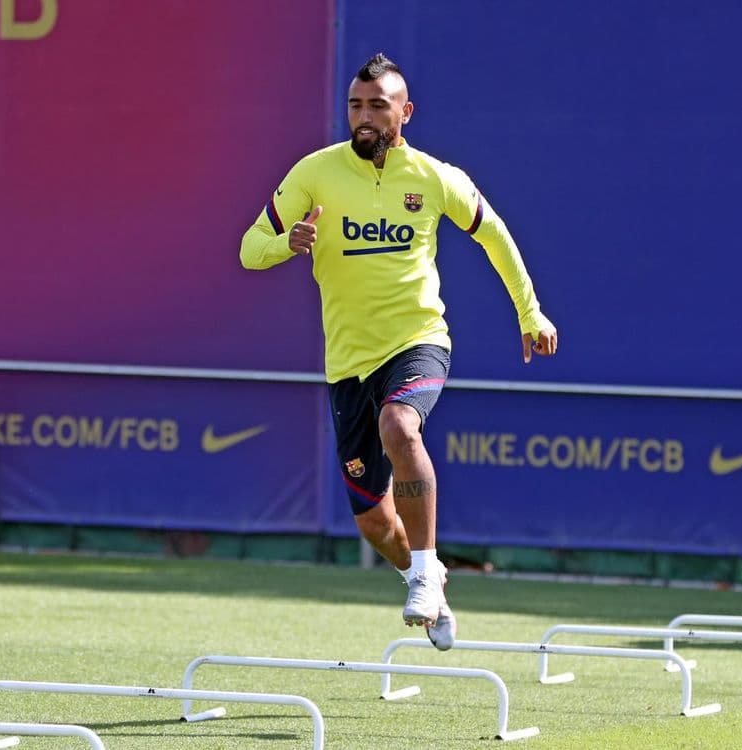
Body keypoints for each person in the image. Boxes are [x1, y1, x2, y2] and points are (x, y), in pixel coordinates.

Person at [239, 53, 558, 650]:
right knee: (374, 522)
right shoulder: (315, 171)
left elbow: (496, 236)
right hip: (347, 363)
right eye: (355, 105)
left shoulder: (436, 177)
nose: (363, 117)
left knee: (400, 425)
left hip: (418, 341)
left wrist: (529, 310)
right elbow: (249, 248)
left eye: (377, 106)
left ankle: (428, 567)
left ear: (404, 113)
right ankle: (423, 577)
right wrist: (287, 242)